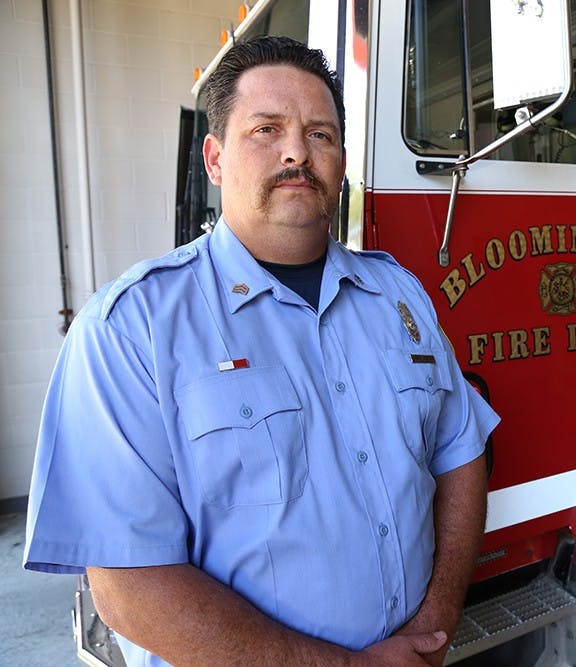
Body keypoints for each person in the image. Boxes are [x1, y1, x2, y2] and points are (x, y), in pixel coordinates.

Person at [23, 35, 499, 667]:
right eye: (266, 130)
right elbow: (129, 587)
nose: (297, 151)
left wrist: (437, 621)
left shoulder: (398, 294)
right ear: (214, 160)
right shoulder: (129, 329)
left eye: (321, 135)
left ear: (342, 161)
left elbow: (460, 453)